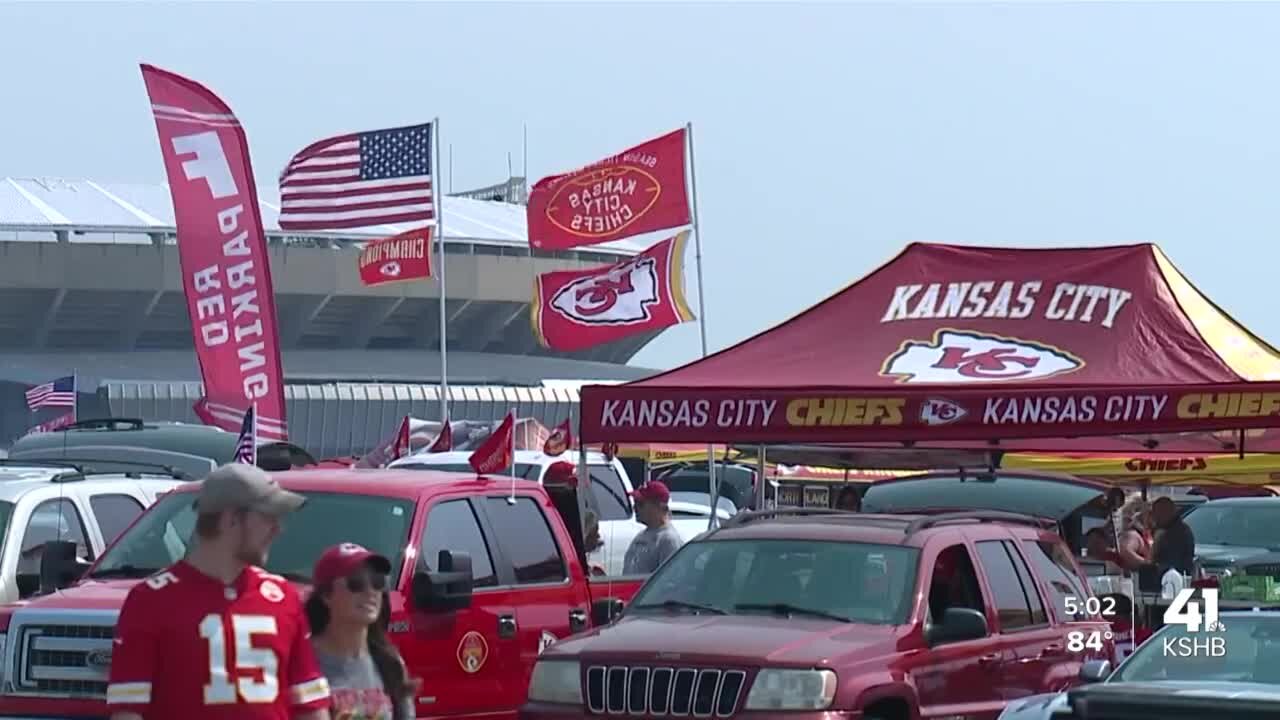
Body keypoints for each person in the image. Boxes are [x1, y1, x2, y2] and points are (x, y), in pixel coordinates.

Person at [107, 464, 331, 720]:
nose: (278, 529)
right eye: (269, 517)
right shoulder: (150, 601)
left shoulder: (284, 598)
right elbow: (128, 712)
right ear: (231, 519)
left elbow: (310, 707)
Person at [306, 543, 415, 720]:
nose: (370, 591)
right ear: (326, 595)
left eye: (378, 581)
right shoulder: (302, 661)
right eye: (355, 583)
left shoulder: (390, 662)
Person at [623, 481, 683, 575]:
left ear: (659, 506)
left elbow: (669, 580)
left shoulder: (668, 540)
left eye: (640, 503)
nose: (635, 508)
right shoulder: (640, 536)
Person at [1150, 496, 1196, 576]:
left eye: (1159, 514)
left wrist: (1150, 567)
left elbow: (1172, 564)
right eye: (1154, 514)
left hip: (1174, 579)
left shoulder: (1179, 533)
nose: (1156, 518)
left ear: (1170, 512)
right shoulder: (1163, 529)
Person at [1115, 497, 1152, 572]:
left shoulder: (1141, 534)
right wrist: (1149, 566)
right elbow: (1125, 551)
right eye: (1149, 512)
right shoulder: (1132, 535)